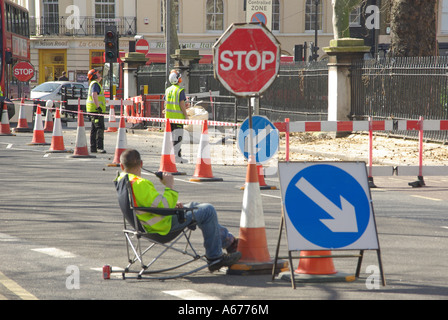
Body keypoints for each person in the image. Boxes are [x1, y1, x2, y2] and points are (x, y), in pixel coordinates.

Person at [116, 148, 241, 272]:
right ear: (141, 164)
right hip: (161, 227)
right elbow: (164, 206)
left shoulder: (122, 181)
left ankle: (229, 242)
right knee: (208, 210)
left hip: (147, 224)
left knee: (195, 206)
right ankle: (215, 258)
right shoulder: (139, 183)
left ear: (121, 166)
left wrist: (172, 205)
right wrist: (169, 186)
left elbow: (151, 204)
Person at [165, 69, 188, 163]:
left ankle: (172, 155)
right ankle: (176, 157)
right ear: (177, 79)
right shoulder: (180, 90)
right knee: (178, 138)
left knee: (171, 138)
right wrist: (186, 115)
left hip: (169, 118)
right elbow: (181, 104)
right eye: (179, 78)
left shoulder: (168, 90)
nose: (180, 79)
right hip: (178, 118)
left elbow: (166, 103)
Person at [86, 69, 107, 153]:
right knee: (99, 128)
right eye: (98, 73)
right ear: (94, 76)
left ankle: (93, 148)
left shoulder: (93, 84)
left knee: (94, 129)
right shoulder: (95, 84)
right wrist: (98, 107)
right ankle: (99, 147)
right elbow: (94, 95)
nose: (99, 75)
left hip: (92, 109)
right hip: (95, 110)